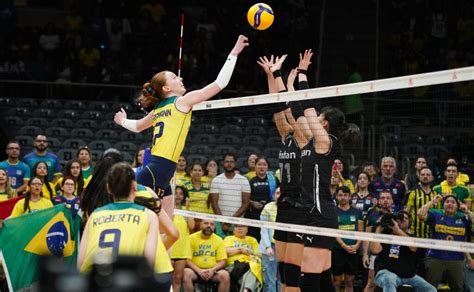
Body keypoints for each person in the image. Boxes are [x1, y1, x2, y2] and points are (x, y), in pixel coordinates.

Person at [114, 35, 249, 215]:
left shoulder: (158, 110)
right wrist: (234, 53)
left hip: (162, 170)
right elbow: (220, 83)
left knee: (169, 229)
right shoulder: (182, 102)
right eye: (174, 77)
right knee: (144, 221)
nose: (180, 77)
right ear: (166, 89)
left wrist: (122, 120)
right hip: (159, 169)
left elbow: (138, 126)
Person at [258, 50, 312, 292]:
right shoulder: (287, 137)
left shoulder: (305, 139)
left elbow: (291, 107)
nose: (289, 119)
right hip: (284, 207)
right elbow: (278, 106)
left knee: (295, 271)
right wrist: (271, 76)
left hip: (303, 209)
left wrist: (286, 77)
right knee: (282, 267)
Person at [77, 162, 159, 273]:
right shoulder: (149, 215)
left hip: (94, 280)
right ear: (135, 186)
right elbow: (149, 261)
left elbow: (80, 263)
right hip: (127, 278)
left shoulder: (95, 214)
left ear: (108, 188)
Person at [371, 211, 437, 292]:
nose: (403, 220)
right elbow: (375, 250)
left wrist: (398, 231)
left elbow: (414, 248)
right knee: (389, 279)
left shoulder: (412, 237)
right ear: (395, 221)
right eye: (401, 218)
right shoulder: (385, 234)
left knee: (431, 290)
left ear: (409, 223)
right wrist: (378, 227)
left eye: (406, 218)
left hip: (409, 276)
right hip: (386, 273)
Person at [418, 194, 472, 292]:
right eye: (447, 202)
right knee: (430, 287)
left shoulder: (463, 218)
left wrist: (467, 211)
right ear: (443, 205)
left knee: (458, 288)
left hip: (456, 260)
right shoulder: (436, 214)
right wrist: (432, 202)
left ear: (457, 206)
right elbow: (420, 214)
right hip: (435, 258)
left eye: (453, 202)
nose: (450, 204)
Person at [403, 167, 436, 277]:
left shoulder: (436, 195)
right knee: (413, 266)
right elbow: (406, 212)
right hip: (414, 236)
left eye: (428, 174)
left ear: (432, 177)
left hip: (429, 237)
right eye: (423, 174)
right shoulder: (413, 193)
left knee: (427, 267)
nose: (425, 176)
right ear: (419, 176)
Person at [182, 219, 230, 292]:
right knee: (186, 273)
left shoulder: (219, 240)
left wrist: (212, 270)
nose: (209, 226)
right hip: (195, 271)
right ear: (200, 225)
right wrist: (199, 270)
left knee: (225, 275)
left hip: (213, 271)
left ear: (214, 227)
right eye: (206, 223)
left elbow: (222, 261)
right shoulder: (191, 238)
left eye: (212, 224)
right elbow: (187, 260)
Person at [333, 186, 363, 292]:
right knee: (336, 282)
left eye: (345, 195)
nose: (343, 197)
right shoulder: (333, 212)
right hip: (338, 250)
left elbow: (361, 232)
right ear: (336, 196)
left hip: (353, 250)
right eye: (340, 195)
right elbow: (333, 232)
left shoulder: (357, 212)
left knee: (349, 282)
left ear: (350, 197)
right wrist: (344, 246)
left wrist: (357, 245)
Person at [362, 189, 394, 292]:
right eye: (383, 198)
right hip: (375, 254)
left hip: (392, 254)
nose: (385, 200)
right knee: (371, 282)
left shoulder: (396, 216)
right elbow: (367, 236)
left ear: (392, 201)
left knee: (392, 282)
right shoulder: (372, 215)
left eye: (388, 198)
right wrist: (365, 254)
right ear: (378, 201)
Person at [210, 153, 251, 224]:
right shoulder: (216, 180)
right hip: (220, 222)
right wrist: (222, 222)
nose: (229, 164)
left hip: (238, 222)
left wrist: (231, 221)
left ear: (235, 163)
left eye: (231, 162)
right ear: (223, 163)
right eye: (226, 162)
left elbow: (246, 204)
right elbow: (214, 204)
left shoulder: (244, 180)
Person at [246, 156, 279, 241]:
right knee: (254, 239)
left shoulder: (273, 180)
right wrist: (252, 203)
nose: (261, 167)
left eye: (264, 164)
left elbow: (279, 195)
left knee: (268, 239)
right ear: (255, 166)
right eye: (259, 164)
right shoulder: (250, 180)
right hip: (254, 215)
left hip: (269, 214)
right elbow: (245, 197)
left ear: (267, 167)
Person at [170, 186, 195, 292]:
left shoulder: (186, 211)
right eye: (176, 193)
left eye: (181, 193)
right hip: (169, 250)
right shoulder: (168, 208)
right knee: (166, 279)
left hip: (182, 251)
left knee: (177, 279)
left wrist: (188, 208)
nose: (178, 196)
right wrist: (171, 207)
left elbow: (192, 226)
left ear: (184, 196)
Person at [223, 224, 261, 292]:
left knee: (254, 269)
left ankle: (246, 290)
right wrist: (241, 250)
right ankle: (247, 289)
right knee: (254, 273)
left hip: (250, 264)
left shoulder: (252, 240)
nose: (240, 228)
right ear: (233, 229)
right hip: (233, 265)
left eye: (243, 226)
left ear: (247, 229)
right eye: (237, 226)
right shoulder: (228, 238)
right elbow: (227, 252)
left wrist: (250, 252)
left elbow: (259, 255)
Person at [260, 186, 281, 292]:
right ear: (273, 195)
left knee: (282, 279)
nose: (279, 195)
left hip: (283, 248)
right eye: (277, 193)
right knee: (269, 279)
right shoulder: (268, 207)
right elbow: (263, 229)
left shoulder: (290, 210)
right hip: (270, 247)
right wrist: (268, 246)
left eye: (281, 193)